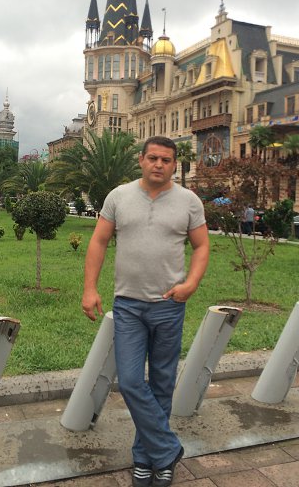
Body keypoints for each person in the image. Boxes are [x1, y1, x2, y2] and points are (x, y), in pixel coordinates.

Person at [82, 136, 210, 487]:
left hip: (170, 306)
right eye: (153, 158)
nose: (158, 164)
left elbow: (201, 246)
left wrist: (191, 284)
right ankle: (167, 449)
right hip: (128, 305)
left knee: (163, 383)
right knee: (131, 381)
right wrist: (90, 288)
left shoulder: (189, 201)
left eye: (166, 160)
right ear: (141, 160)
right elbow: (99, 241)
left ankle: (147, 458)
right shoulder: (119, 197)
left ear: (174, 165)